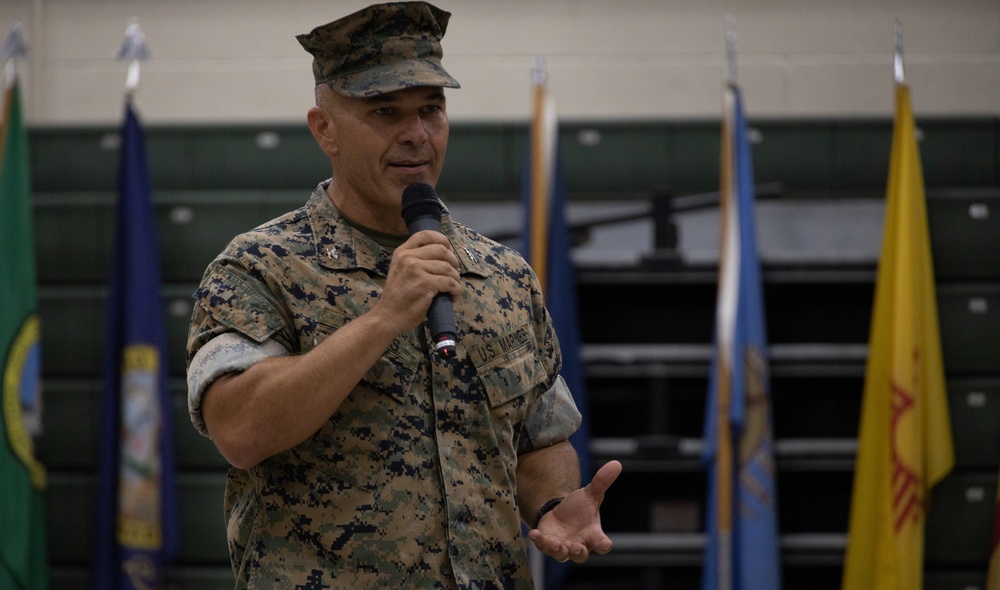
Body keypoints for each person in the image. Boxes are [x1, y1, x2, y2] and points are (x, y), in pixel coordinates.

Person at [185, 2, 622, 588]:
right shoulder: (259, 269)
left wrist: (552, 504)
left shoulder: (502, 275)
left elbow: (539, 437)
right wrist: (383, 319)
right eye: (385, 111)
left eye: (431, 111)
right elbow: (239, 432)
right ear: (325, 129)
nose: (416, 134)